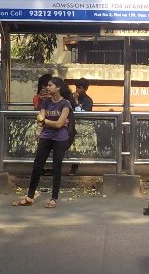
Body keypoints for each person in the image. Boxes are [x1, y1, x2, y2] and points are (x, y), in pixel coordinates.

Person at [13, 76, 72, 209]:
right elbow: (40, 121)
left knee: (57, 167)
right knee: (37, 166)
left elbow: (58, 124)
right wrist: (46, 122)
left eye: (50, 85)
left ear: (58, 88)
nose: (47, 87)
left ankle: (54, 198)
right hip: (45, 136)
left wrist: (46, 121)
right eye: (47, 85)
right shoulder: (45, 102)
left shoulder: (65, 104)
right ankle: (30, 196)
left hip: (60, 139)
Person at [69, 78, 92, 175]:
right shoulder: (70, 98)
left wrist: (76, 101)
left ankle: (74, 167)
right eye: (76, 87)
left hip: (81, 126)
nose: (77, 90)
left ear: (85, 89)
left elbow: (82, 114)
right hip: (70, 125)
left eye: (80, 88)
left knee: (76, 147)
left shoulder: (88, 100)